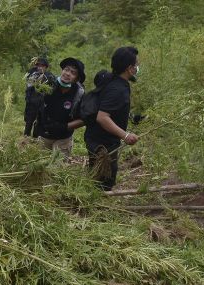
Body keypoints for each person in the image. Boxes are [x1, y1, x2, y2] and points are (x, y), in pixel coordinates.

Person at [84, 46, 140, 190]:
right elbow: (102, 117)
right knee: (103, 180)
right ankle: (95, 207)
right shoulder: (117, 89)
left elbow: (113, 107)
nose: (137, 68)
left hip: (99, 138)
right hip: (102, 143)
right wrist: (125, 135)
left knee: (98, 176)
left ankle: (93, 201)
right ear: (129, 68)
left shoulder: (113, 80)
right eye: (136, 65)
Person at [40, 57, 86, 157]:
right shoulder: (48, 85)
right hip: (44, 135)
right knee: (40, 167)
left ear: (77, 79)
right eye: (66, 69)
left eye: (73, 73)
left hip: (63, 139)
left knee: (57, 168)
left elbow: (84, 119)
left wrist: (64, 126)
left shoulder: (79, 94)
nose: (68, 73)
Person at [23, 58, 55, 138]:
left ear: (46, 67)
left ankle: (35, 140)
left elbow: (53, 89)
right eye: (38, 65)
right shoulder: (32, 74)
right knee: (29, 122)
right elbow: (28, 86)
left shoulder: (49, 76)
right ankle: (25, 139)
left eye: (42, 66)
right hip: (31, 103)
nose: (40, 67)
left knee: (39, 123)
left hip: (42, 104)